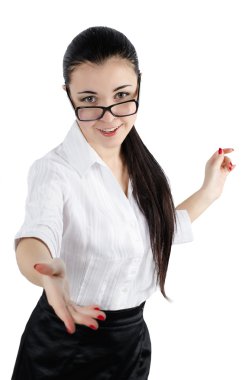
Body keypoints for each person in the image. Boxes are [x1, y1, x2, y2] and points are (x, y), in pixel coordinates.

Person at [11, 26, 235, 380]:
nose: (109, 115)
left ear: (138, 88)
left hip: (130, 347)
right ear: (68, 95)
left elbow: (149, 234)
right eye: (89, 100)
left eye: (122, 95)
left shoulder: (143, 166)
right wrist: (47, 274)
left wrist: (209, 190)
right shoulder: (54, 172)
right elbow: (36, 236)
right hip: (66, 351)